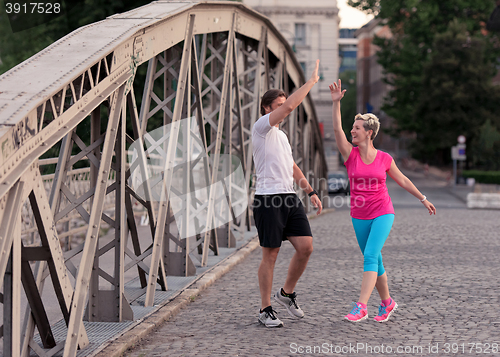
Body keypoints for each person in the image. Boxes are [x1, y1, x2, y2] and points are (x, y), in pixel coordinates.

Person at [329, 79, 436, 323]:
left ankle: (361, 306)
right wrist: (335, 104)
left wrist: (423, 198)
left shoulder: (385, 158)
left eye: (357, 128)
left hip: (382, 212)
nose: (352, 131)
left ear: (369, 133)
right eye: (352, 127)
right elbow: (336, 130)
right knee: (375, 260)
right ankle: (387, 302)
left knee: (369, 256)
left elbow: (404, 180)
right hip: (359, 215)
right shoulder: (350, 155)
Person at [252, 60, 323, 328]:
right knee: (270, 254)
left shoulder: (281, 137)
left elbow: (292, 166)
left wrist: (310, 190)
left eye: (284, 104)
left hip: (289, 198)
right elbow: (291, 106)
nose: (284, 109)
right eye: (278, 105)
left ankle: (286, 293)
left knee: (306, 247)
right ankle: (265, 308)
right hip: (268, 198)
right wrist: (311, 82)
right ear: (267, 108)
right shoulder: (262, 128)